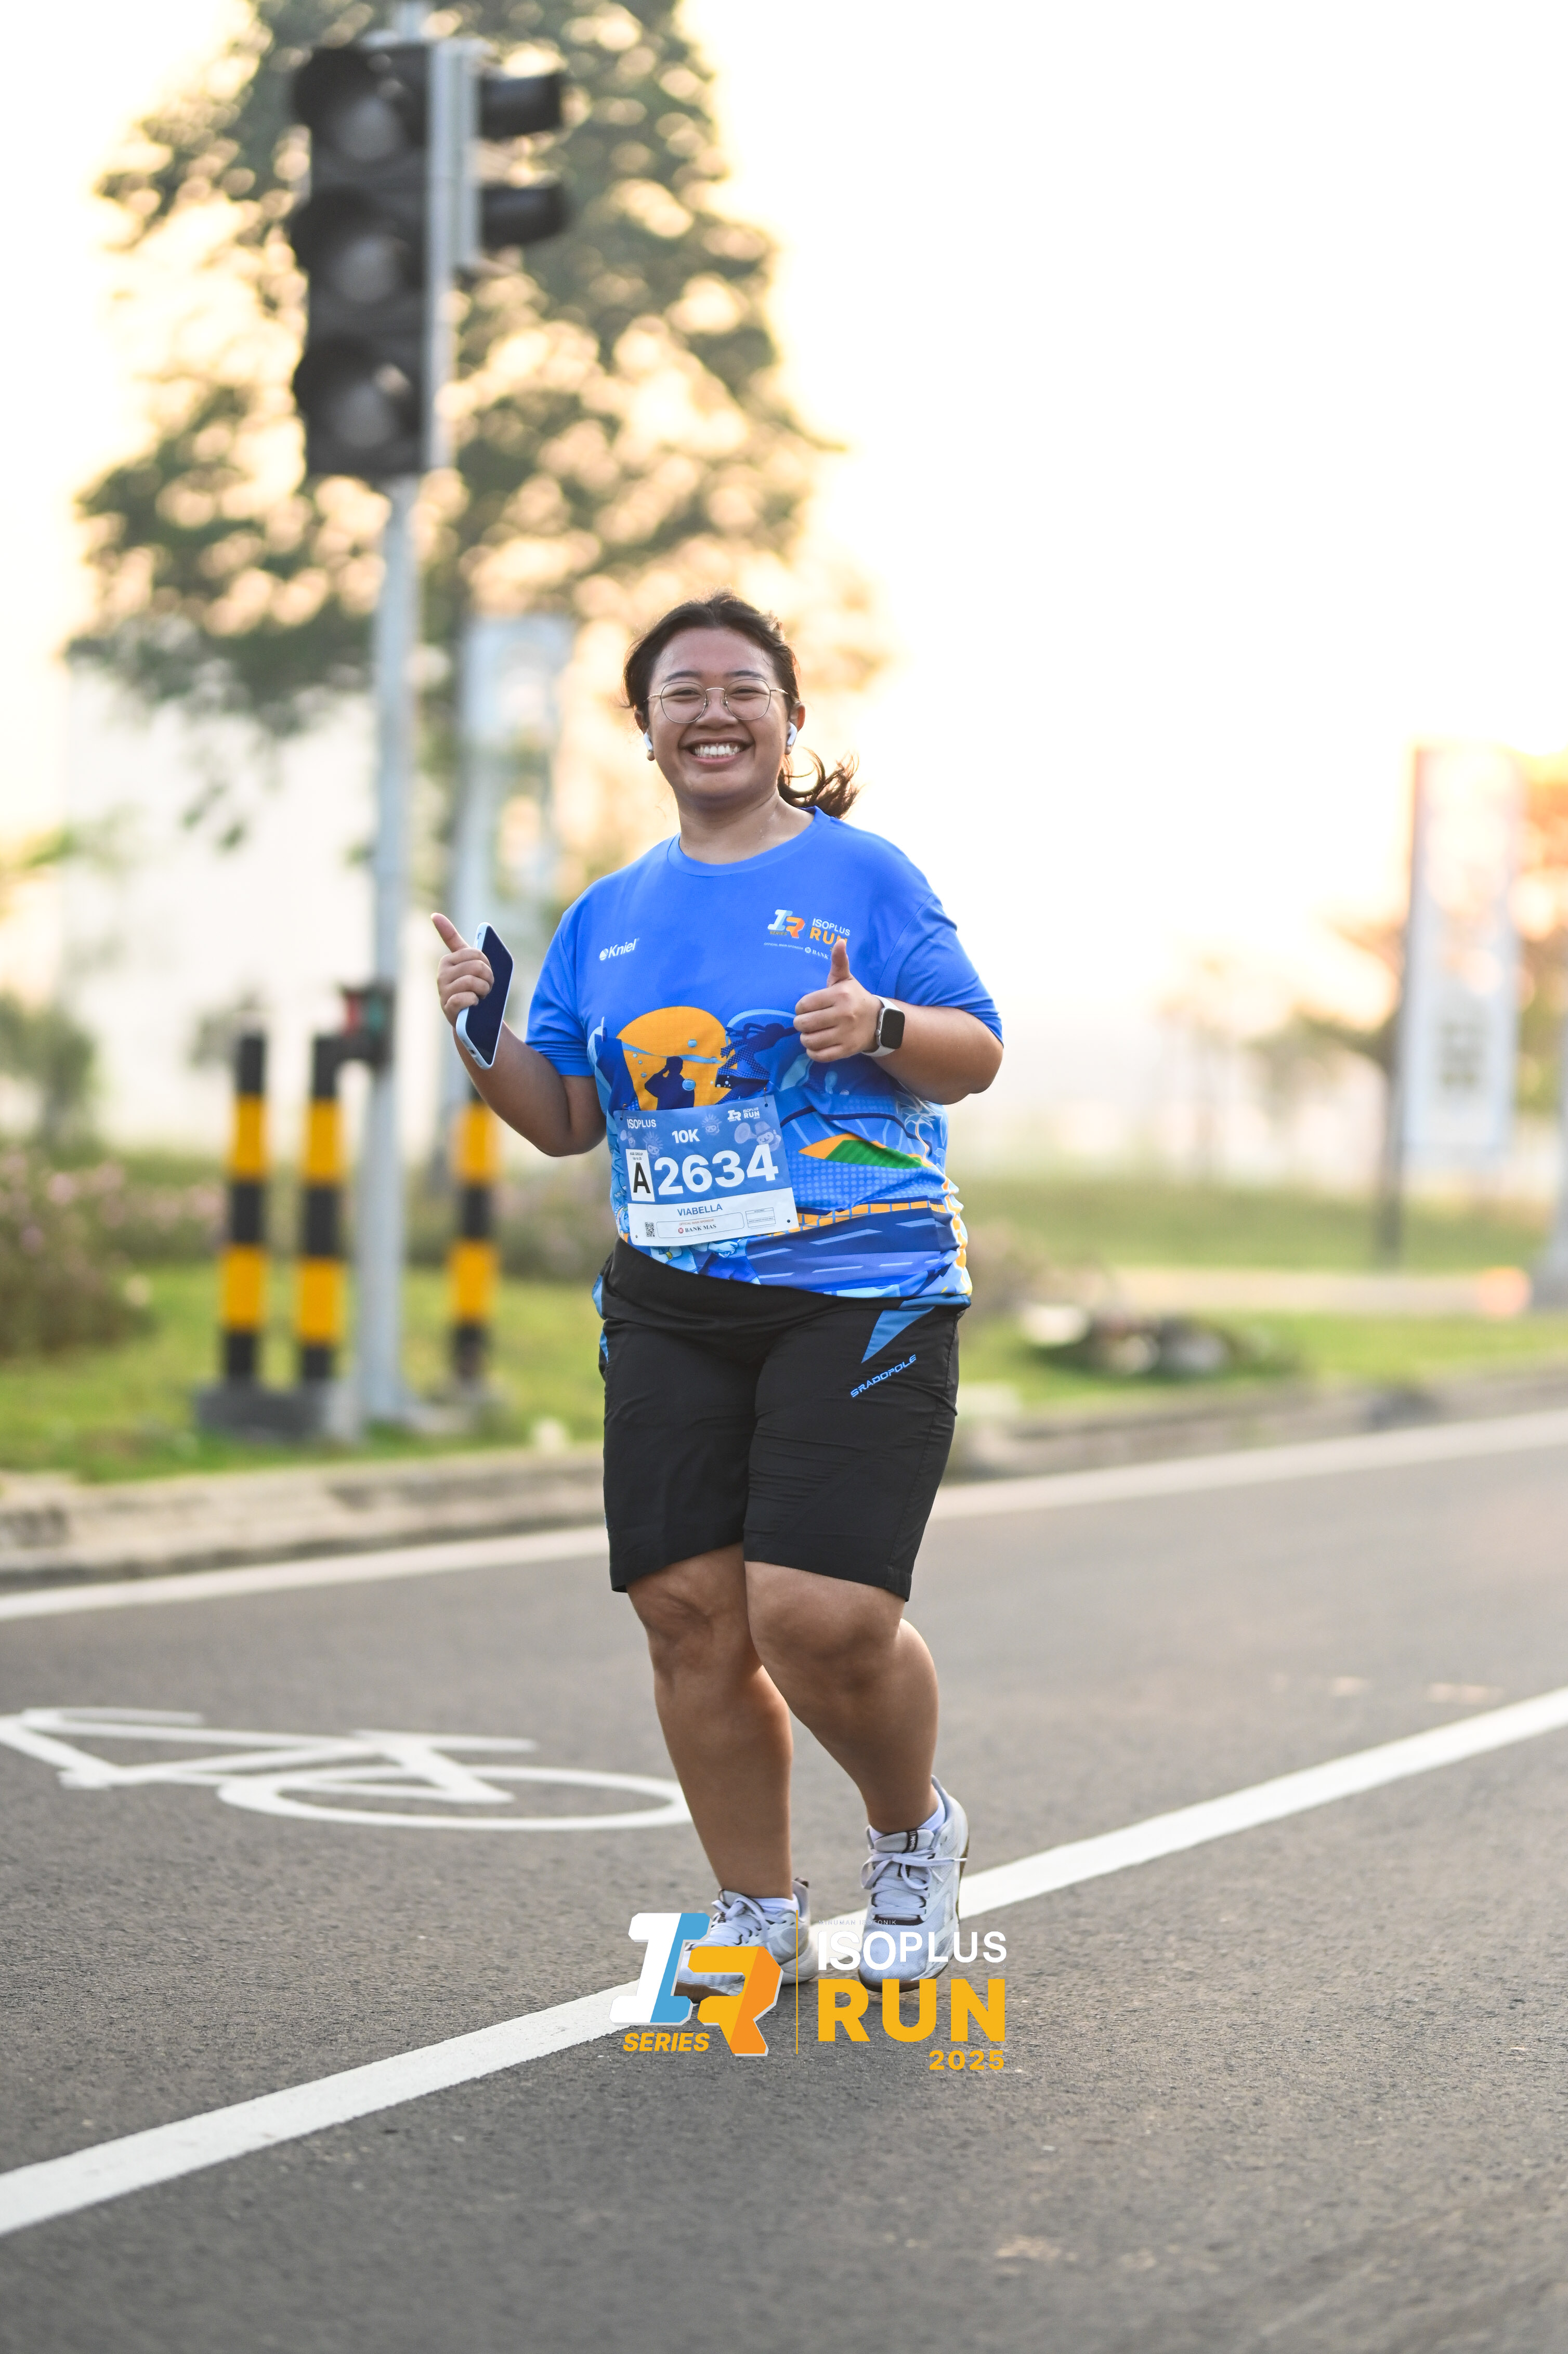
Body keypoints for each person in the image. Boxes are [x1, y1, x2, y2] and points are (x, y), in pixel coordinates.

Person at [433, 591, 1003, 1995]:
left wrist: (880, 1022)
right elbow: (566, 1120)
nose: (713, 711)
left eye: (743, 687)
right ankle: (756, 1909)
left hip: (862, 1289)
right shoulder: (607, 915)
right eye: (680, 692)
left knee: (817, 1617)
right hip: (674, 1298)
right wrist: (478, 1035)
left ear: (789, 720)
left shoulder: (866, 876)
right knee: (689, 1611)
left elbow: (976, 1051)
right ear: (646, 730)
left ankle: (914, 1833)